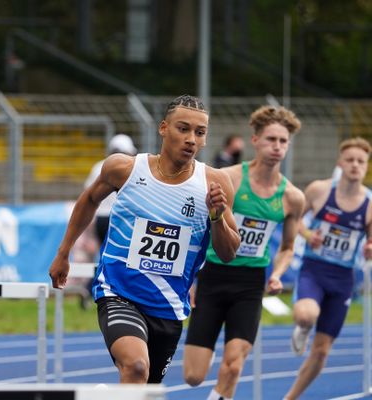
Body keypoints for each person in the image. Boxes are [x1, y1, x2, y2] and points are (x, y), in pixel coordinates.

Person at [49, 94, 241, 384]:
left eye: (200, 133)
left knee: (145, 387)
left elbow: (228, 252)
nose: (191, 139)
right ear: (164, 128)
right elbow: (88, 200)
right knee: (136, 367)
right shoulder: (124, 169)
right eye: (183, 129)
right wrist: (64, 252)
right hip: (119, 292)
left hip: (168, 306)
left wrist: (216, 216)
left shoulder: (215, 183)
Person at [183, 105, 305, 400]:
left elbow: (288, 248)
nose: (277, 147)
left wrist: (276, 275)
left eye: (283, 141)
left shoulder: (292, 198)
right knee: (193, 376)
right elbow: (198, 229)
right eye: (271, 139)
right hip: (213, 276)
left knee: (234, 365)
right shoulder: (229, 178)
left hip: (250, 283)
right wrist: (190, 280)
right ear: (255, 140)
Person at [284, 137, 372, 400]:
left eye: (361, 161)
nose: (355, 165)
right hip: (314, 270)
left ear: (366, 167)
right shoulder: (319, 190)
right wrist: (309, 234)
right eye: (350, 160)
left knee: (322, 351)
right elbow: (295, 220)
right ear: (340, 163)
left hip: (343, 279)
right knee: (305, 315)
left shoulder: (369, 204)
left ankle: (290, 397)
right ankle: (302, 328)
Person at [85, 133, 138, 245]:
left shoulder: (98, 167)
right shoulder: (131, 169)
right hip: (121, 218)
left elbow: (88, 195)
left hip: (101, 217)